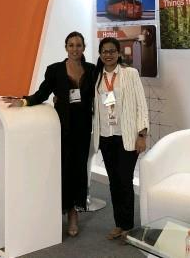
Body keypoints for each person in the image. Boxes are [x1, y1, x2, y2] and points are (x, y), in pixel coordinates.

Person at [22, 31, 95, 237]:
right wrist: (25, 101)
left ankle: (73, 213)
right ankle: (58, 209)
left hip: (83, 129)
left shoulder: (91, 70)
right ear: (65, 48)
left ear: (84, 47)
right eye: (71, 45)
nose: (75, 49)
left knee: (79, 170)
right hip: (62, 128)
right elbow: (42, 93)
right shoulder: (54, 70)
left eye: (78, 45)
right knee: (63, 170)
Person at [93, 37, 149, 240]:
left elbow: (141, 104)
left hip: (127, 136)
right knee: (114, 182)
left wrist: (141, 135)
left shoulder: (130, 73)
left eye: (111, 51)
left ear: (118, 53)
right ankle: (119, 224)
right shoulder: (96, 76)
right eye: (104, 51)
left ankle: (128, 227)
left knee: (125, 181)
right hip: (106, 136)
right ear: (100, 54)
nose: (108, 55)